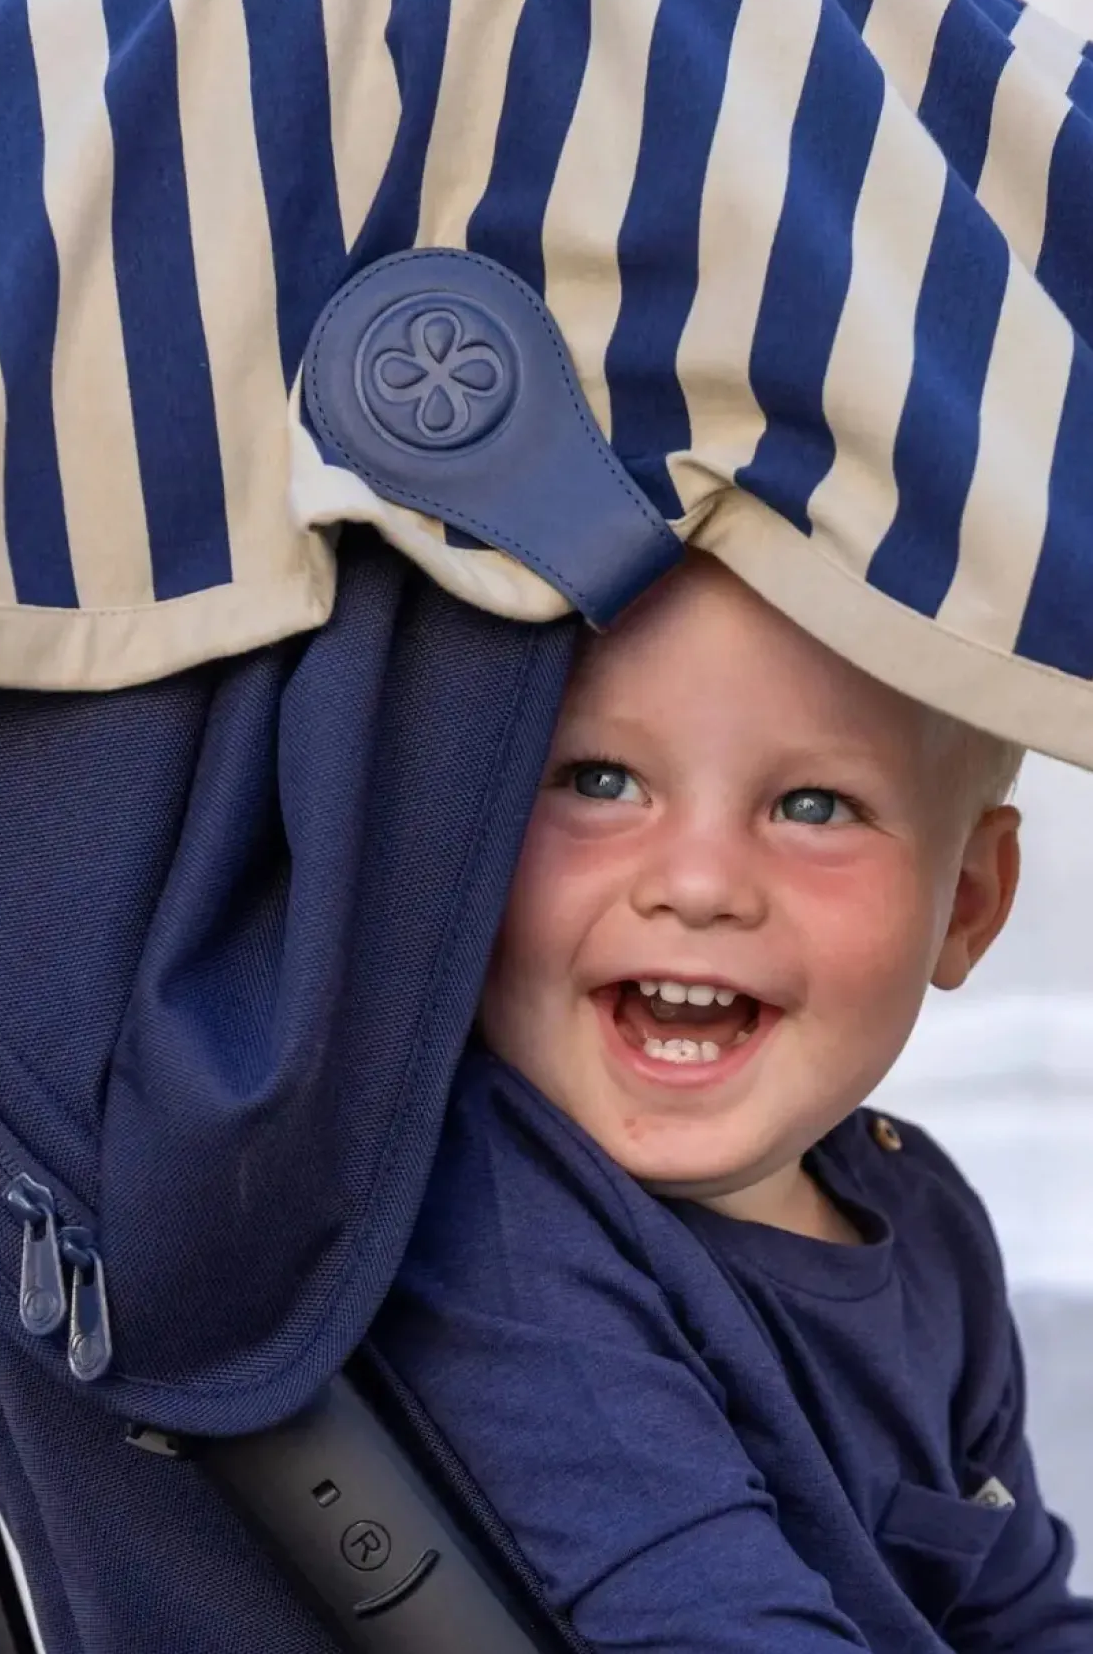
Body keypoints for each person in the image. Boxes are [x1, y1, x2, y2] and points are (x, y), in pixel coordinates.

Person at [374, 550, 1093, 1652]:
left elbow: (1018, 1615)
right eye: (600, 780)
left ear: (967, 902)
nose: (699, 884)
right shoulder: (490, 1225)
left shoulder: (926, 1212)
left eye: (813, 805)